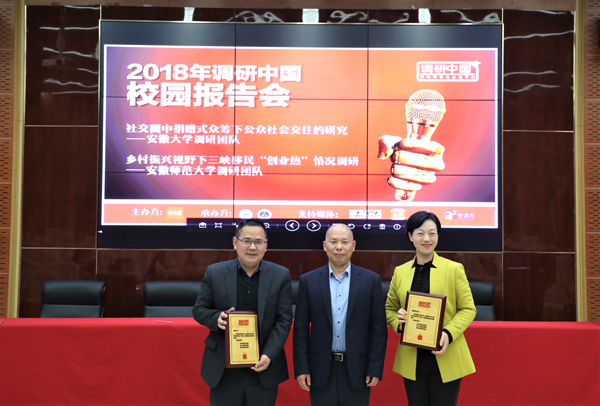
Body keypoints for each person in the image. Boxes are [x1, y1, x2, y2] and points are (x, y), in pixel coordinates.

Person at [192, 219, 293, 406]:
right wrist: (216, 318)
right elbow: (199, 309)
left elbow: (284, 320)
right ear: (235, 242)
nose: (252, 247)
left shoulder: (280, 275)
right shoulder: (215, 272)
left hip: (263, 367)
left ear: (266, 245)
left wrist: (269, 354)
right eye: (247, 241)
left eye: (258, 242)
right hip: (224, 369)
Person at [385, 211, 476, 406]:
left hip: (446, 354)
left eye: (432, 233)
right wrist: (399, 323)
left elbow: (468, 309)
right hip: (412, 358)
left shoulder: (453, 269)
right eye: (420, 233)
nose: (426, 238)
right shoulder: (400, 272)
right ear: (411, 236)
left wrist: (448, 333)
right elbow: (390, 309)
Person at [293, 223, 388, 406]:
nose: (339, 247)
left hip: (358, 369)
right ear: (324, 245)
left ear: (353, 245)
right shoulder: (308, 281)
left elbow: (378, 330)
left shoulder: (370, 281)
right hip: (320, 369)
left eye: (344, 242)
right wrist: (302, 368)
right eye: (333, 241)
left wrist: (374, 368)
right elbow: (300, 331)